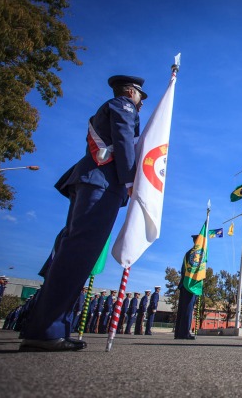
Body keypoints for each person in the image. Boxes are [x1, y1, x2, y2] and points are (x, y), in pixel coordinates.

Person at [19, 74, 147, 352]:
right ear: (130, 91)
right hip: (102, 183)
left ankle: (49, 328)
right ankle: (47, 331)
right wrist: (130, 180)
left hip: (91, 181)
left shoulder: (111, 107)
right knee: (78, 253)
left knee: (74, 253)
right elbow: (124, 140)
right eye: (140, 95)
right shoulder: (122, 105)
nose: (141, 102)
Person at [174, 235, 200, 340]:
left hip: (185, 283)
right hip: (190, 284)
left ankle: (179, 332)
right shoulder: (196, 253)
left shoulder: (188, 252)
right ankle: (184, 333)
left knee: (182, 309)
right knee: (188, 309)